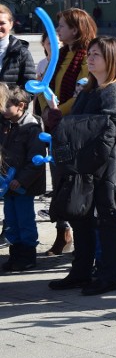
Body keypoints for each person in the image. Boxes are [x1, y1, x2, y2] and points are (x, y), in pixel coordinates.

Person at [46, 36, 116, 295]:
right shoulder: (89, 89)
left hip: (108, 164)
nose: (90, 58)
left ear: (111, 58)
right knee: (81, 218)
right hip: (84, 165)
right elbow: (77, 123)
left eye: (96, 54)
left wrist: (81, 127)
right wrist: (59, 120)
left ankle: (109, 275)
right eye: (90, 54)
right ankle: (81, 271)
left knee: (107, 220)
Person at [41, 8, 98, 257]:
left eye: (62, 25)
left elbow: (80, 95)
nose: (58, 30)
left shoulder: (87, 57)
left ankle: (86, 242)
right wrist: (46, 110)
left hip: (73, 130)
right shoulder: (62, 54)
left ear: (75, 29)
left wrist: (56, 113)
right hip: (55, 128)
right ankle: (63, 231)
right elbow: (47, 87)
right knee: (59, 183)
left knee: (75, 185)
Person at [0, 86, 46, 272]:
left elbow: (36, 161)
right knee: (10, 220)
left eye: (5, 105)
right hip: (8, 184)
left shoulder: (32, 128)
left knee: (25, 220)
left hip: (23, 186)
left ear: (20, 106)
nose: (2, 109)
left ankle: (27, 256)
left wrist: (21, 180)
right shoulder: (8, 125)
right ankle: (15, 254)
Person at [0, 4, 37, 87]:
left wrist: (18, 99)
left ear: (11, 24)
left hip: (11, 99)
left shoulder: (21, 53)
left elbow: (29, 85)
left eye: (2, 23)